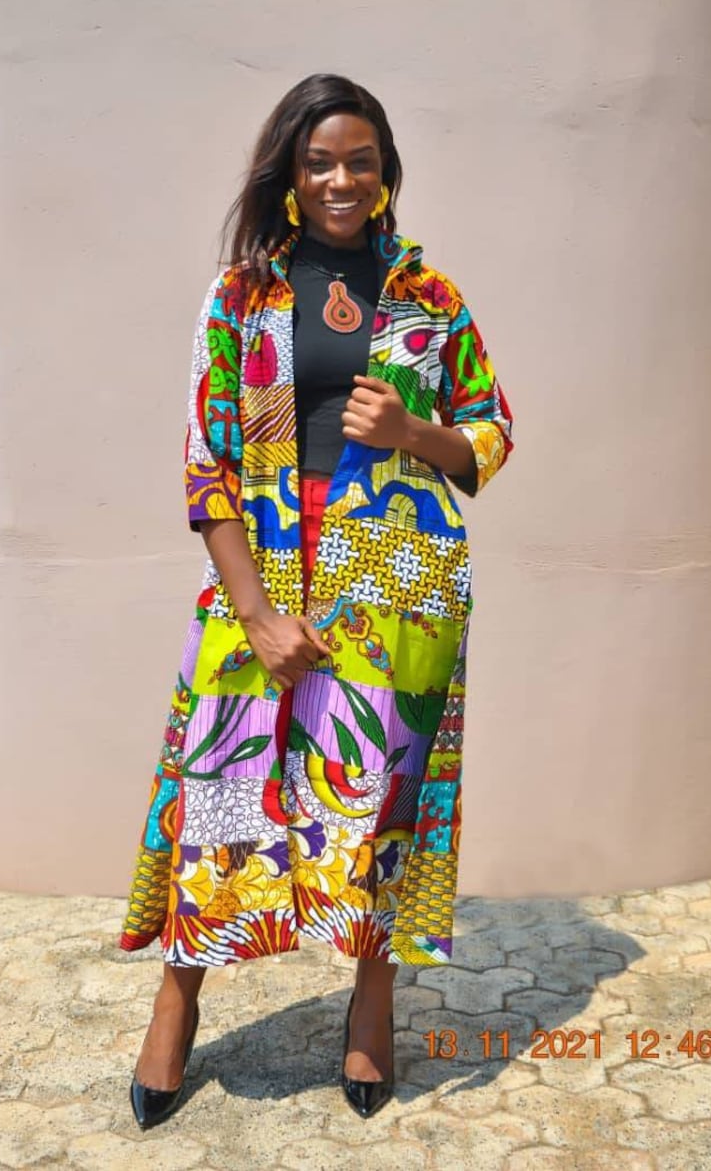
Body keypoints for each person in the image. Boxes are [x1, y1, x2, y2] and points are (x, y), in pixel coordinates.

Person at [120, 71, 514, 1128]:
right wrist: (250, 610)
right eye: (319, 161)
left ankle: (372, 1002)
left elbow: (488, 429)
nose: (341, 178)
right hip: (265, 577)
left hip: (395, 592)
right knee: (220, 793)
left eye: (360, 161)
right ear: (289, 176)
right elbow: (207, 465)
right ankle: (176, 1005)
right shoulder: (241, 296)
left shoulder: (428, 301)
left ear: (384, 175)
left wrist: (412, 436)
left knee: (381, 805)